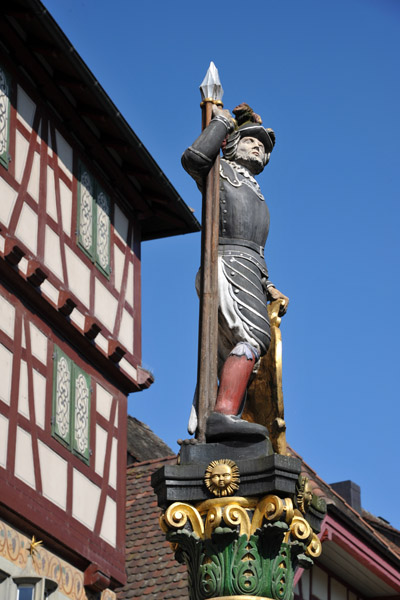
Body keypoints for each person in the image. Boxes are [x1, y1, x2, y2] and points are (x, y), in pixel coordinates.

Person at [182, 103, 288, 441]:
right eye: (251, 141)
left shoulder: (256, 192)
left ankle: (219, 413)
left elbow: (256, 244)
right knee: (253, 335)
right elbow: (194, 159)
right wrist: (221, 123)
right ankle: (223, 413)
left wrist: (267, 284)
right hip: (226, 261)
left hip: (249, 267)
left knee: (235, 348)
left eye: (264, 146)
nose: (259, 147)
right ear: (231, 143)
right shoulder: (221, 172)